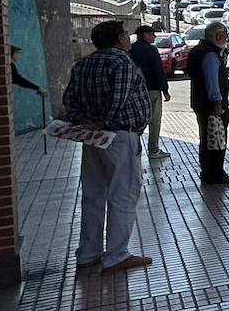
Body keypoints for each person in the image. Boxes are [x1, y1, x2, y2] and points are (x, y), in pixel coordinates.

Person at [61, 20, 152, 273]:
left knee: (93, 194)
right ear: (118, 39)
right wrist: (104, 122)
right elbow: (119, 99)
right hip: (118, 135)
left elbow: (69, 99)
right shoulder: (121, 62)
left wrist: (84, 123)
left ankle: (88, 253)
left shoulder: (84, 64)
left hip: (94, 138)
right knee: (123, 193)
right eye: (125, 35)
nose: (127, 38)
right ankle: (116, 255)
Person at [188, 22, 229, 185]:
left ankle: (209, 171)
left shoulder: (198, 51)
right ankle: (215, 173)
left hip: (200, 103)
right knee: (216, 139)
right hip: (212, 106)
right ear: (218, 36)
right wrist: (218, 102)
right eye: (225, 35)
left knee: (207, 138)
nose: (227, 38)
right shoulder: (210, 55)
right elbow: (212, 80)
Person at [128, 25, 171, 159]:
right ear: (145, 35)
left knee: (136, 120)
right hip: (152, 89)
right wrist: (165, 90)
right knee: (155, 120)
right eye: (152, 34)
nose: (154, 36)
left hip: (134, 91)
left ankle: (134, 149)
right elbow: (158, 70)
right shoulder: (151, 50)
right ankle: (153, 149)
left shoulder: (130, 49)